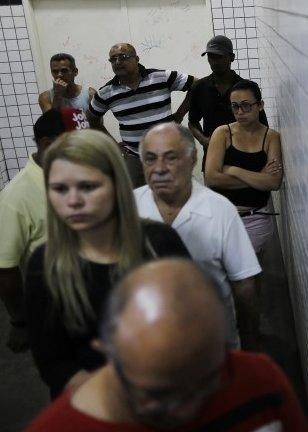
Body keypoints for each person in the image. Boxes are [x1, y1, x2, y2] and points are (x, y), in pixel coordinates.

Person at [26, 258, 308, 432]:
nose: (183, 411)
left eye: (205, 383)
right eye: (156, 393)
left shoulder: (260, 382)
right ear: (106, 350)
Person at [24, 129, 190, 398]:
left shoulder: (160, 243)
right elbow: (53, 363)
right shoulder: (44, 264)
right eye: (59, 189)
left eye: (88, 187)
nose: (73, 201)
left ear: (117, 185)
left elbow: (193, 327)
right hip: (91, 408)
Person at [135, 122, 262, 348]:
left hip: (212, 346)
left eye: (171, 157)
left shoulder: (220, 210)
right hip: (146, 349)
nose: (159, 168)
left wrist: (250, 343)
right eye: (150, 158)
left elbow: (244, 285)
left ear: (192, 158)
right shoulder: (128, 207)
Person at [0, 108, 89, 352]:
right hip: (56, 310)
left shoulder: (83, 175)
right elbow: (5, 269)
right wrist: (19, 321)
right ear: (48, 144)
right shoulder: (15, 197)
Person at [87, 43, 194, 187]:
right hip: (134, 157)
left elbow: (197, 85)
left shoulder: (161, 77)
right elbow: (92, 119)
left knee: (176, 195)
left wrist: (180, 115)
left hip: (169, 153)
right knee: (137, 202)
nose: (118, 62)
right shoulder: (106, 92)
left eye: (123, 57)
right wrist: (113, 145)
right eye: (113, 59)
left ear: (136, 59)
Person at [204, 79, 282, 254]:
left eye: (246, 106)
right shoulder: (222, 133)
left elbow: (274, 182)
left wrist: (233, 170)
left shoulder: (271, 137)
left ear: (260, 105)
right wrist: (259, 177)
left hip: (257, 218)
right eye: (235, 106)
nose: (240, 112)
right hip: (222, 217)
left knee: (249, 274)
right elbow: (211, 178)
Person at [188, 35, 245, 165]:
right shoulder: (199, 87)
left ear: (232, 57)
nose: (214, 61)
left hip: (244, 156)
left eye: (219, 57)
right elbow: (192, 122)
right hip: (213, 158)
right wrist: (204, 141)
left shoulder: (245, 88)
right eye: (211, 57)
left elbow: (261, 125)